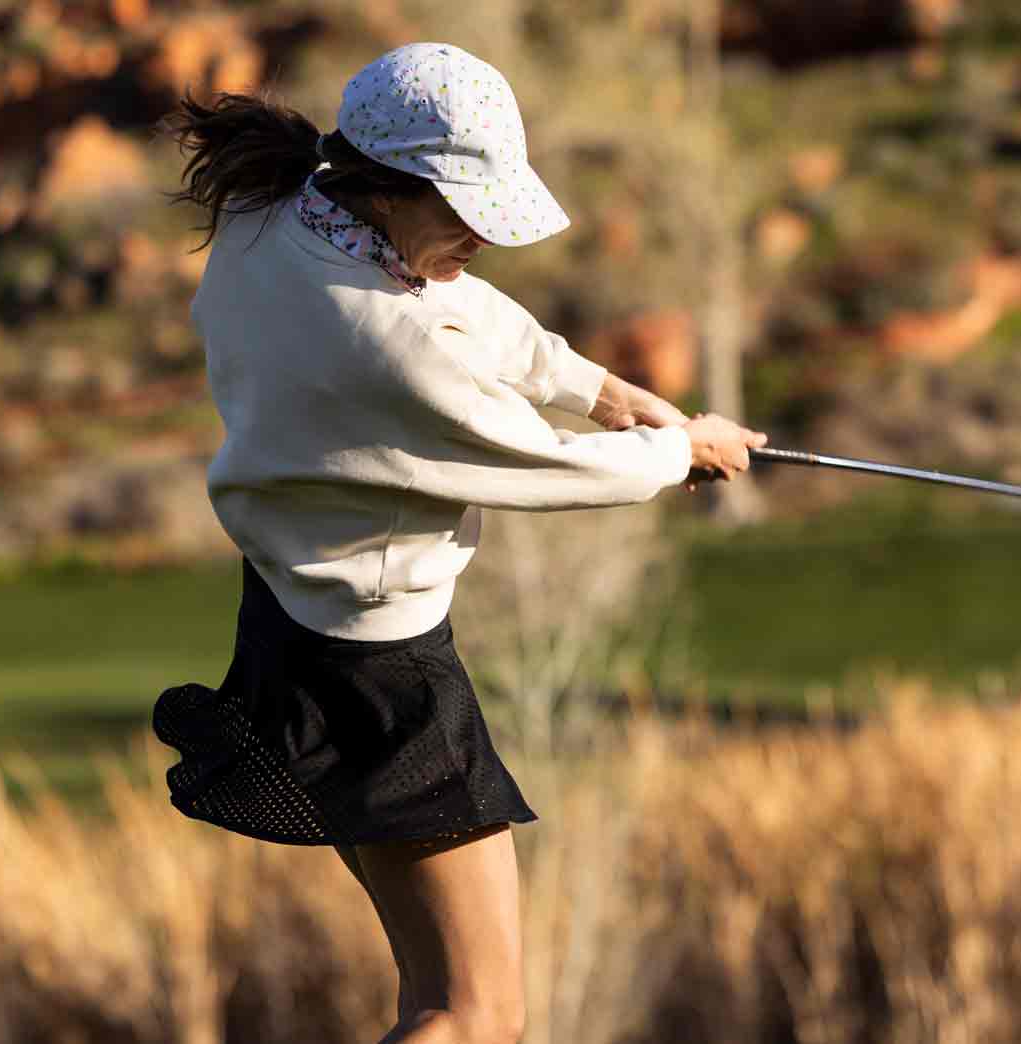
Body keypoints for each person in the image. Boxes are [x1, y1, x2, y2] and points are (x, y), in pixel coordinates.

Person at [151, 42, 766, 1044]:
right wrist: (677, 451)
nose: (481, 236)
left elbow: (451, 301)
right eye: (464, 209)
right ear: (388, 187)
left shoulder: (278, 215)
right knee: (478, 1017)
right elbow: (539, 464)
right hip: (385, 684)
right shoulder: (388, 348)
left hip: (291, 632)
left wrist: (606, 393)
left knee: (436, 1000)